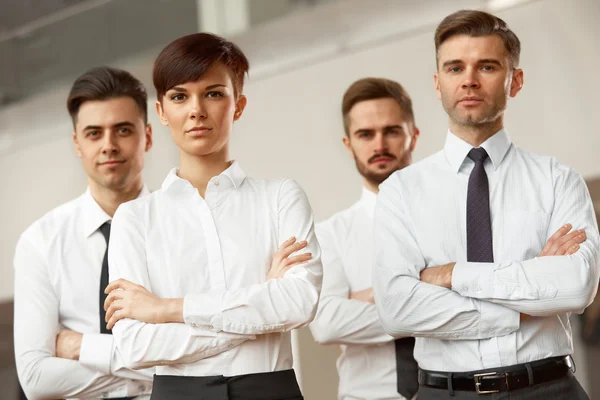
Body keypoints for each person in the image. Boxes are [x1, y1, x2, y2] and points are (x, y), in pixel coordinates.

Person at [373, 9, 598, 399]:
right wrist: (528, 293)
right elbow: (397, 309)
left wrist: (453, 274)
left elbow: (576, 287)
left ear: (516, 81)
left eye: (488, 66)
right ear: (437, 82)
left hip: (548, 390)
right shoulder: (400, 191)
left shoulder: (558, 180)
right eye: (455, 68)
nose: (470, 81)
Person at [102, 32, 322, 400]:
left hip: (271, 390)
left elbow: (299, 302)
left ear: (238, 105)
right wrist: (261, 305)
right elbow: (135, 346)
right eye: (179, 96)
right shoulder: (134, 218)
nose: (196, 110)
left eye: (214, 93)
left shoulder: (281, 197)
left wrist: (166, 309)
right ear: (161, 112)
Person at [13, 67, 154, 399]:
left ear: (146, 136)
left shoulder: (182, 227)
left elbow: (204, 357)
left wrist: (82, 347)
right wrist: (151, 378)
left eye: (122, 130)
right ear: (77, 143)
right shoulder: (41, 242)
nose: (108, 145)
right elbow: (35, 378)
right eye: (94, 133)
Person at [310, 77, 420, 400]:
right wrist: (425, 293)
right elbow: (327, 323)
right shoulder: (328, 234)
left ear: (413, 135)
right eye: (365, 134)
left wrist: (368, 297)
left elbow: (474, 306)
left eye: (391, 131)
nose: (379, 145)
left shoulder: (448, 218)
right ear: (349, 144)